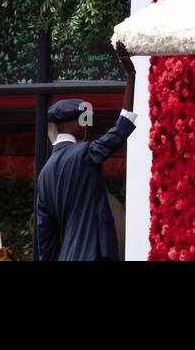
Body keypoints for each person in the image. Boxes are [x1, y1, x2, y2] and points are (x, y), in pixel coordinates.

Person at [35, 45, 138, 261]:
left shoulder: (44, 174)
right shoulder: (83, 154)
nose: (86, 128)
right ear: (77, 125)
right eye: (84, 122)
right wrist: (131, 76)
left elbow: (45, 237)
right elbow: (118, 132)